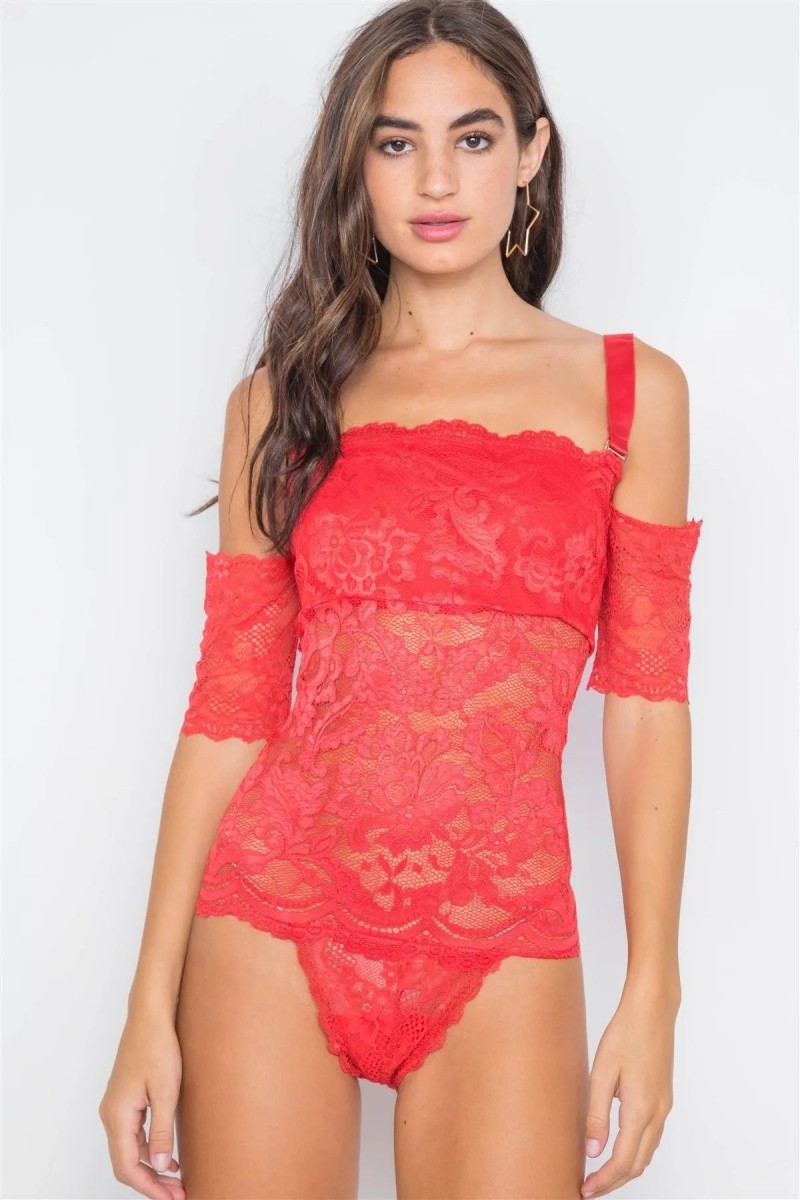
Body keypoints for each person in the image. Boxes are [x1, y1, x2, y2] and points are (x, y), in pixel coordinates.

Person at [98, 2, 703, 1197]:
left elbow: (644, 703)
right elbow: (228, 710)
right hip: (272, 916)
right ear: (355, 164)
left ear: (529, 152)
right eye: (394, 142)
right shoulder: (279, 402)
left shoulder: (633, 394)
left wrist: (652, 991)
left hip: (504, 932)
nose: (435, 179)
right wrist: (145, 1008)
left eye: (472, 138)